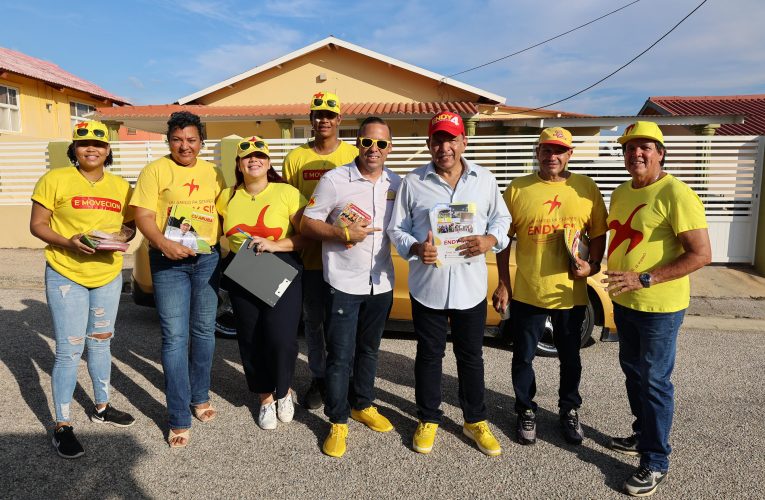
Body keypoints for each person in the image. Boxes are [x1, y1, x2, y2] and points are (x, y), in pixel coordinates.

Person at [388, 111, 511, 456]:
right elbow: (396, 229)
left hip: (470, 286)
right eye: (438, 139)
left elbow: (503, 219)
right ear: (429, 143)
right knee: (429, 355)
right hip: (428, 285)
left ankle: (475, 420)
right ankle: (428, 418)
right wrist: (415, 247)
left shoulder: (484, 180)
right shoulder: (412, 182)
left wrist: (490, 240)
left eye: (451, 139)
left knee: (471, 356)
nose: (445, 147)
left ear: (464, 142)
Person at [603, 121, 711, 496]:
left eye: (645, 147)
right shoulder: (621, 192)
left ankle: (656, 461)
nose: (636, 154)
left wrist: (645, 279)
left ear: (660, 152)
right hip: (625, 302)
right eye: (630, 148)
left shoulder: (676, 193)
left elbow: (701, 254)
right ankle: (642, 434)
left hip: (659, 307)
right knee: (634, 374)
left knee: (654, 381)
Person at [493, 127, 607, 446]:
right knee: (523, 357)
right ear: (537, 152)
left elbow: (598, 232)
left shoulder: (585, 188)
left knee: (571, 359)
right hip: (529, 292)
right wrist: (504, 282)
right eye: (546, 149)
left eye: (559, 150)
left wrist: (593, 264)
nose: (552, 156)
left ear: (570, 154)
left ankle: (569, 409)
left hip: (571, 294)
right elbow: (503, 239)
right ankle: (525, 409)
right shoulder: (518, 189)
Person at [30, 120, 135, 458]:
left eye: (99, 144)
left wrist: (121, 238)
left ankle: (102, 408)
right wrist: (69, 242)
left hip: (107, 274)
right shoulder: (55, 179)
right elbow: (37, 225)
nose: (92, 148)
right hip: (66, 273)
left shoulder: (121, 186)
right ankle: (62, 425)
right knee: (68, 350)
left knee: (102, 343)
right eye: (84, 143)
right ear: (74, 148)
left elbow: (129, 227)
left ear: (108, 150)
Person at [301, 117, 402, 457]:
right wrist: (342, 233)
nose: (374, 150)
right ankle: (338, 420)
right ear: (357, 142)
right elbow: (308, 222)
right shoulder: (334, 179)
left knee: (369, 350)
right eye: (367, 142)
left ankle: (362, 403)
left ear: (389, 148)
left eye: (382, 144)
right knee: (340, 356)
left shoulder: (396, 182)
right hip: (343, 282)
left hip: (381, 282)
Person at [130, 111, 226, 448]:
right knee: (174, 337)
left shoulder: (214, 172)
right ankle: (177, 416)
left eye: (191, 140)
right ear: (167, 140)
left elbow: (223, 210)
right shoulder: (155, 170)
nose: (184, 146)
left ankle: (199, 397)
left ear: (201, 142)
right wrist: (162, 243)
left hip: (206, 259)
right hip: (168, 260)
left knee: (203, 332)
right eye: (177, 139)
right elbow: (142, 214)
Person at [216, 136, 306, 430]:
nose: (253, 160)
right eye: (246, 157)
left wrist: (276, 245)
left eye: (260, 156)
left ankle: (284, 391)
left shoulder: (287, 192)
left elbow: (307, 235)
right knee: (251, 339)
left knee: (281, 339)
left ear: (268, 163)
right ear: (239, 165)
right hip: (244, 270)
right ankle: (265, 398)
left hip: (280, 267)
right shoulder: (226, 197)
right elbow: (215, 232)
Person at [282, 91, 359, 409]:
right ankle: (319, 378)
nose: (324, 119)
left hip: (346, 255)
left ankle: (347, 379)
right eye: (318, 114)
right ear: (311, 119)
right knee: (313, 322)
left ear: (339, 119)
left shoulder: (355, 153)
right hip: (310, 257)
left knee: (344, 324)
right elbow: (287, 204)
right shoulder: (295, 159)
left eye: (330, 114)